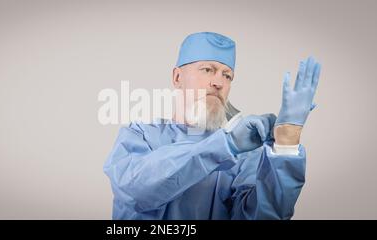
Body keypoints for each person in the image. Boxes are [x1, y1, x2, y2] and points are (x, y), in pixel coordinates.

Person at [103, 32, 321, 219]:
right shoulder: (140, 135)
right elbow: (138, 190)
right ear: (177, 77)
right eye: (208, 69)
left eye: (228, 75)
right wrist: (225, 144)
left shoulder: (243, 155)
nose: (219, 83)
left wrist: (286, 144)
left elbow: (262, 215)